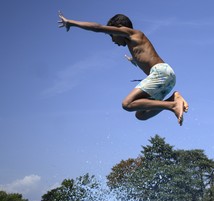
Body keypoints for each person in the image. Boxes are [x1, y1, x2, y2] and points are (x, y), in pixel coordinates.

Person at [58, 12, 189, 125]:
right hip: (167, 78)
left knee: (127, 104)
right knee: (141, 115)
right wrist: (135, 61)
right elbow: (147, 58)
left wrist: (71, 22)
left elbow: (97, 28)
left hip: (161, 73)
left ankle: (172, 105)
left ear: (119, 29)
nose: (113, 41)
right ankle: (172, 99)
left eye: (112, 35)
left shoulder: (131, 33)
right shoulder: (134, 42)